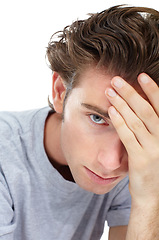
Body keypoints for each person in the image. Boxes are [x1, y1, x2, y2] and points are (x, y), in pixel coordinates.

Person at [0, 4, 159, 240]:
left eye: (136, 132)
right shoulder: (6, 156)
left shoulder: (142, 159)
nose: (111, 163)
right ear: (60, 91)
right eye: (97, 118)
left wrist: (148, 199)